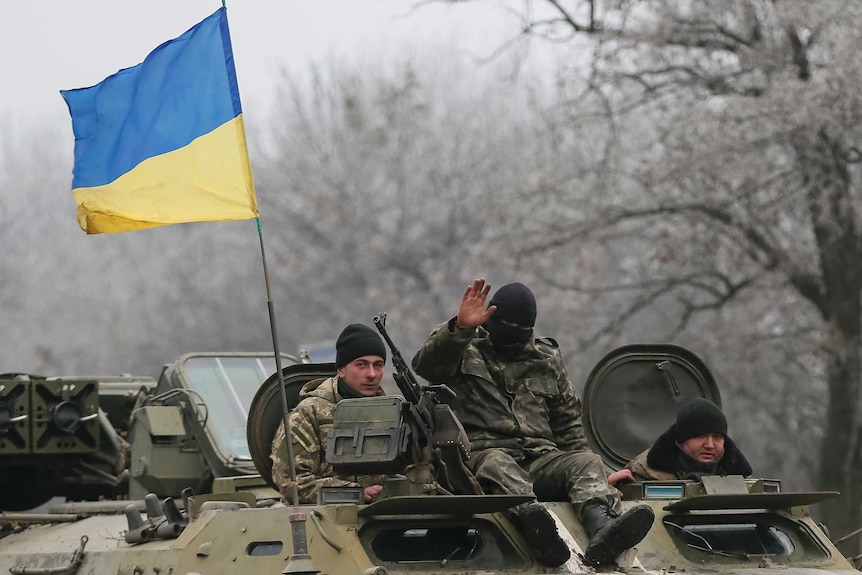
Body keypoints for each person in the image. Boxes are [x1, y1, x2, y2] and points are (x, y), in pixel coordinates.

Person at [411, 278, 654, 568]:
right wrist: (461, 329)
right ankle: (537, 526)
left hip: (541, 459)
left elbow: (567, 425)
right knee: (498, 463)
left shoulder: (546, 359)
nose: (513, 332)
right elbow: (426, 366)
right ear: (492, 318)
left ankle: (603, 528)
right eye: (506, 324)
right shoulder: (464, 349)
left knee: (585, 461)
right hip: (483, 457)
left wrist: (598, 476)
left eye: (521, 327)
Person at [270, 323, 390, 504]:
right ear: (341, 369)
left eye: (378, 365)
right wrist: (355, 493)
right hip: (324, 521)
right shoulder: (308, 414)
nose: (371, 374)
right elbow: (292, 482)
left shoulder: (391, 413)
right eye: (361, 365)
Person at [609, 398, 752, 485]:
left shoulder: (738, 476)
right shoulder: (645, 474)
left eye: (717, 437)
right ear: (681, 439)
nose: (709, 445)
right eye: (700, 436)